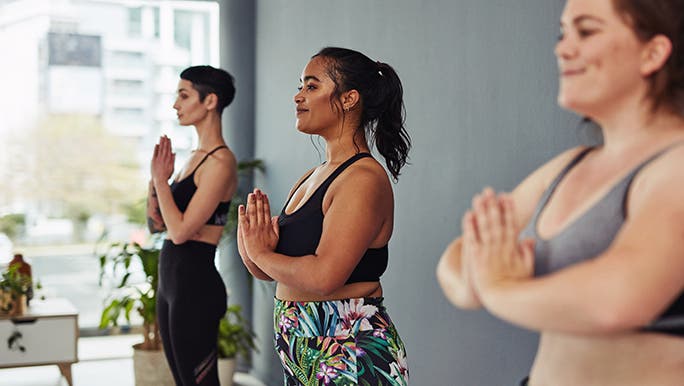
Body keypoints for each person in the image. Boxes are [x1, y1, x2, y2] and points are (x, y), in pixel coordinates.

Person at [437, 0, 684, 385]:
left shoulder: (675, 165)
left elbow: (617, 301)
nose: (562, 49)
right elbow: (456, 257)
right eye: (562, 33)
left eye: (586, 32)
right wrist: (477, 282)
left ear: (653, 52)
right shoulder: (569, 166)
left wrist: (497, 287)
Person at [237, 47, 410, 385]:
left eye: (311, 86)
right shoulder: (312, 176)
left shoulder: (362, 178)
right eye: (300, 86)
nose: (298, 96)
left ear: (349, 99)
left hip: (349, 352)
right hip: (302, 349)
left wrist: (261, 253)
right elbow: (269, 272)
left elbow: (323, 277)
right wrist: (252, 246)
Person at [147, 65, 237, 386]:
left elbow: (182, 232)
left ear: (210, 101)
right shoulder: (192, 160)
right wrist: (156, 181)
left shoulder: (220, 162)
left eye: (184, 96)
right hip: (172, 285)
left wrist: (161, 181)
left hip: (195, 288)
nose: (176, 104)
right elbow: (157, 225)